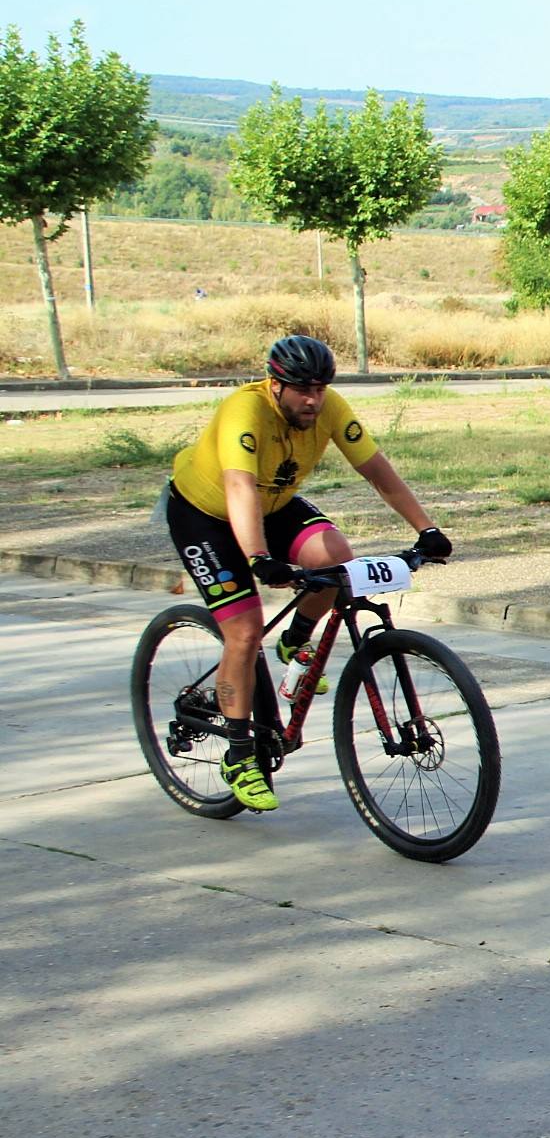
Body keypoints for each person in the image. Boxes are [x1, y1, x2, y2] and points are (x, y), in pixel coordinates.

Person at [164, 335, 452, 811]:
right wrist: (257, 558)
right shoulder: (245, 411)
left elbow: (379, 473)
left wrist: (428, 529)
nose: (312, 400)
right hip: (206, 514)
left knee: (335, 559)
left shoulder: (330, 407)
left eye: (319, 388)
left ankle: (296, 639)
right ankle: (239, 755)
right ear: (274, 385)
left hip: (272, 503)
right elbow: (239, 487)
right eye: (301, 389)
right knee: (243, 632)